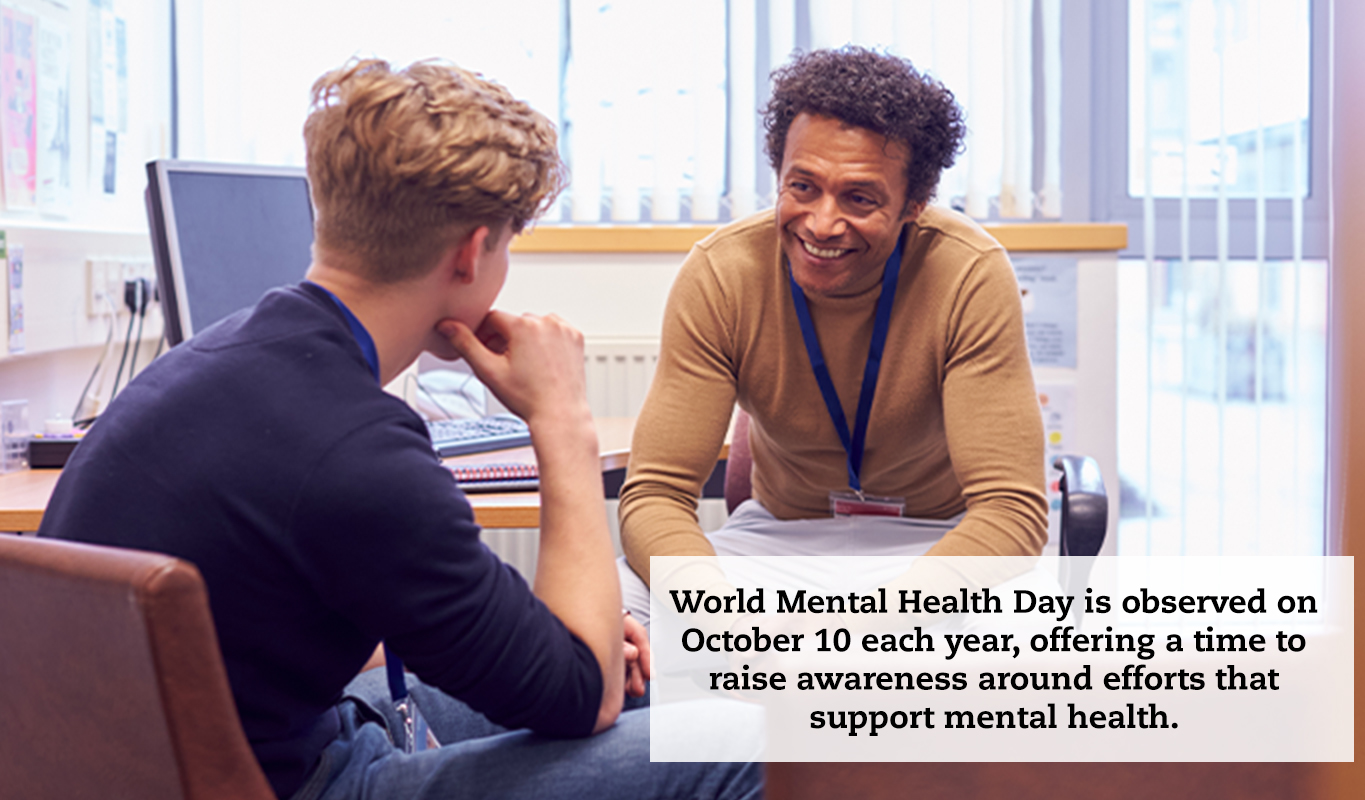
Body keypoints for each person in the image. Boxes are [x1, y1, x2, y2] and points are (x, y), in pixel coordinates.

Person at [40, 59, 760, 800]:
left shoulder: (219, 358)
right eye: (509, 246)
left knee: (647, 677)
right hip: (303, 782)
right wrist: (562, 420)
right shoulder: (357, 453)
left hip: (249, 745)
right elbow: (582, 697)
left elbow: (484, 627)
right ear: (473, 252)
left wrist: (574, 647)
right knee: (760, 745)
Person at [619, 47, 1048, 616]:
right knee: (606, 617)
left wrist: (871, 630)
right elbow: (655, 495)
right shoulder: (722, 274)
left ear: (913, 204)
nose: (821, 223)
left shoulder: (968, 273)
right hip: (773, 543)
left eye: (860, 198)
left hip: (937, 546)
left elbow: (1010, 509)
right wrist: (715, 612)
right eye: (802, 187)